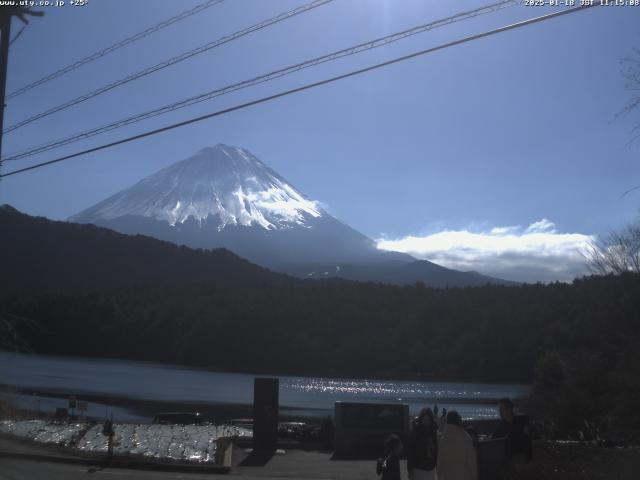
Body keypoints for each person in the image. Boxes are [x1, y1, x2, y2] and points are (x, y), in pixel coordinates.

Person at [492, 398, 532, 476]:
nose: (500, 411)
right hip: (509, 459)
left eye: (503, 409)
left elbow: (528, 434)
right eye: (500, 409)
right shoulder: (501, 426)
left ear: (510, 409)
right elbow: (494, 440)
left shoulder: (521, 420)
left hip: (521, 456)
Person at [437, 411, 478, 480]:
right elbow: (472, 462)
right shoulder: (465, 437)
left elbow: (439, 463)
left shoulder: (443, 439)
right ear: (458, 421)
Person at [407, 408, 438, 480]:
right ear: (421, 419)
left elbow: (436, 450)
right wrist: (410, 469)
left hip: (430, 468)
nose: (426, 422)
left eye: (428, 420)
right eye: (424, 419)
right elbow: (411, 452)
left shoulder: (433, 432)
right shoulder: (416, 432)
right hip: (419, 468)